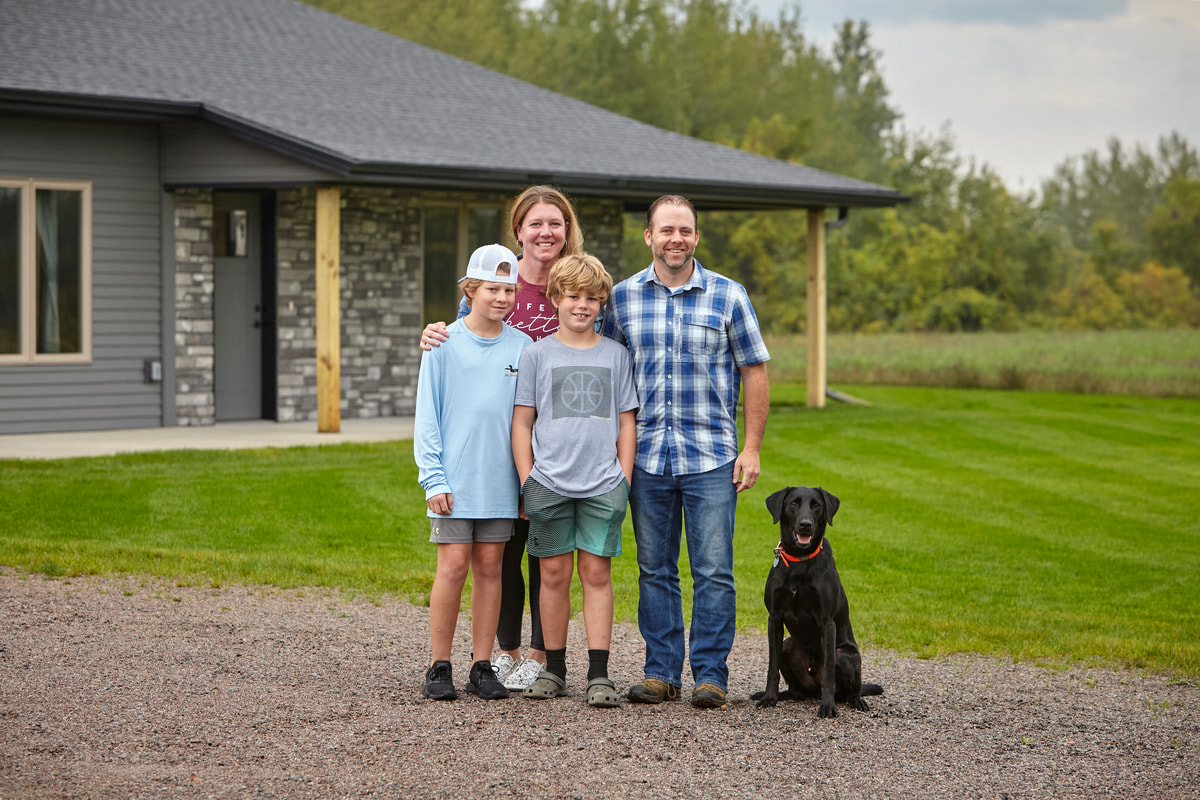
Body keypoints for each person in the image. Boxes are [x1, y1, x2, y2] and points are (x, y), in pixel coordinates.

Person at [600, 194, 770, 709]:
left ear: (696, 237)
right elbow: (604, 367)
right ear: (648, 236)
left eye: (686, 231)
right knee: (655, 568)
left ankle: (711, 676)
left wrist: (753, 448)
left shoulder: (728, 296)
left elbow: (755, 370)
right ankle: (661, 673)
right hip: (646, 456)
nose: (677, 239)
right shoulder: (623, 299)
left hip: (712, 455)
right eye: (667, 230)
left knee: (714, 569)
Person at [420, 185, 584, 691]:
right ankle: (458, 662)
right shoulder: (453, 334)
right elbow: (433, 404)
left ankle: (506, 660)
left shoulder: (558, 304)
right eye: (535, 223)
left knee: (514, 562)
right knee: (467, 566)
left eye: (555, 223)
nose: (546, 232)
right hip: (464, 473)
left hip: (529, 463)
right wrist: (433, 476)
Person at [510, 254, 637, 708]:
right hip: (548, 483)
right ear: (555, 298)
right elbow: (522, 422)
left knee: (596, 574)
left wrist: (622, 479)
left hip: (603, 484)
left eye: (591, 298)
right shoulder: (536, 354)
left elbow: (626, 422)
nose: (581, 305)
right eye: (572, 296)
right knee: (553, 574)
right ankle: (555, 669)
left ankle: (599, 674)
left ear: (602, 303)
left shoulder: (616, 355)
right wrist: (528, 479)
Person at [413, 243, 532, 701]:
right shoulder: (443, 343)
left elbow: (526, 421)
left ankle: (482, 665)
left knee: (491, 568)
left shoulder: (523, 348)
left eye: (509, 289)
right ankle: (438, 664)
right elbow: (428, 416)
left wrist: (525, 482)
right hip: (455, 482)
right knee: (453, 567)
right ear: (470, 290)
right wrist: (433, 477)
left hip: (500, 481)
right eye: (491, 289)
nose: (501, 297)